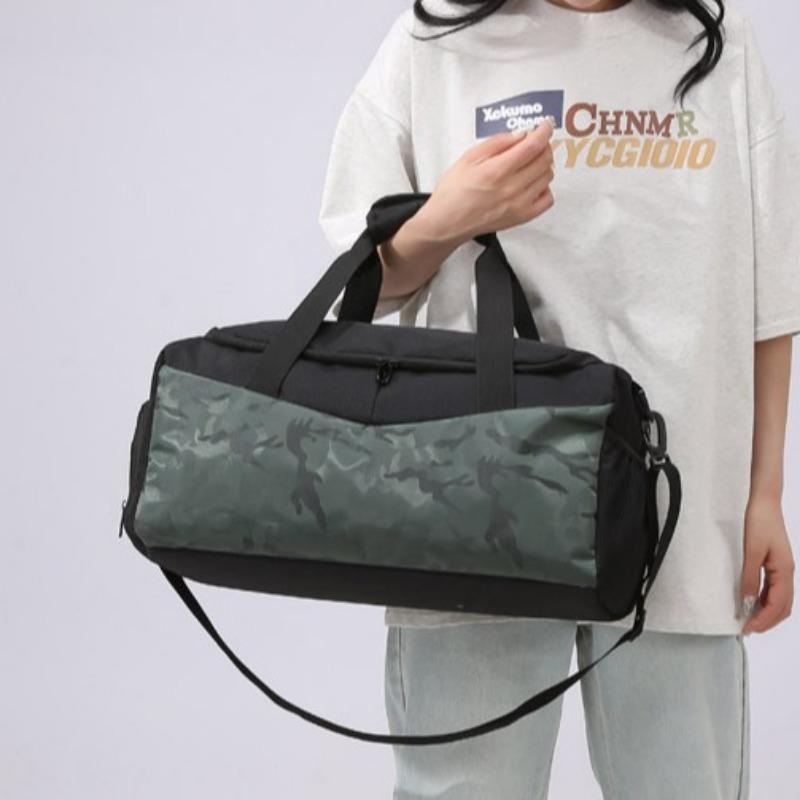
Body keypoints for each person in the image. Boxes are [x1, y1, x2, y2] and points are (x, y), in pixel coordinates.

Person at [317, 0, 799, 796]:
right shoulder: (435, 40)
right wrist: (447, 216)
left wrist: (766, 493)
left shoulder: (717, 43)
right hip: (475, 502)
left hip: (676, 508)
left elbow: (772, 290)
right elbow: (361, 286)